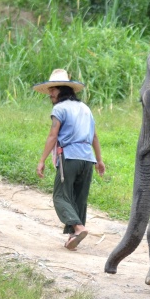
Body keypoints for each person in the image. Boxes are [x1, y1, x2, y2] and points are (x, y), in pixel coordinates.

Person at [34, 69, 105, 250]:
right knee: (79, 197)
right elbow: (94, 136)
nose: (50, 94)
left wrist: (41, 160)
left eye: (53, 89)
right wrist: (99, 160)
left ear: (62, 90)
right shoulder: (85, 109)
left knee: (60, 196)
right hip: (88, 159)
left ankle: (78, 227)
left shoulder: (59, 109)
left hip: (70, 157)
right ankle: (74, 235)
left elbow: (53, 135)